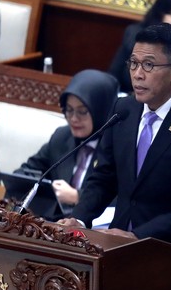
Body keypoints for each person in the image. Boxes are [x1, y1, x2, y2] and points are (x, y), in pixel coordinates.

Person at [59, 23, 171, 256]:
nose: (137, 74)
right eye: (134, 63)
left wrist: (140, 235)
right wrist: (80, 217)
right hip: (115, 247)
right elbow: (104, 177)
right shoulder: (123, 109)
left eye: (148, 65)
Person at [15, 70, 118, 214]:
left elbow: (123, 199)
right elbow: (24, 173)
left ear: (101, 110)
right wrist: (47, 188)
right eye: (69, 110)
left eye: (82, 111)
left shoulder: (117, 146)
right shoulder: (62, 136)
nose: (74, 118)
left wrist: (77, 196)